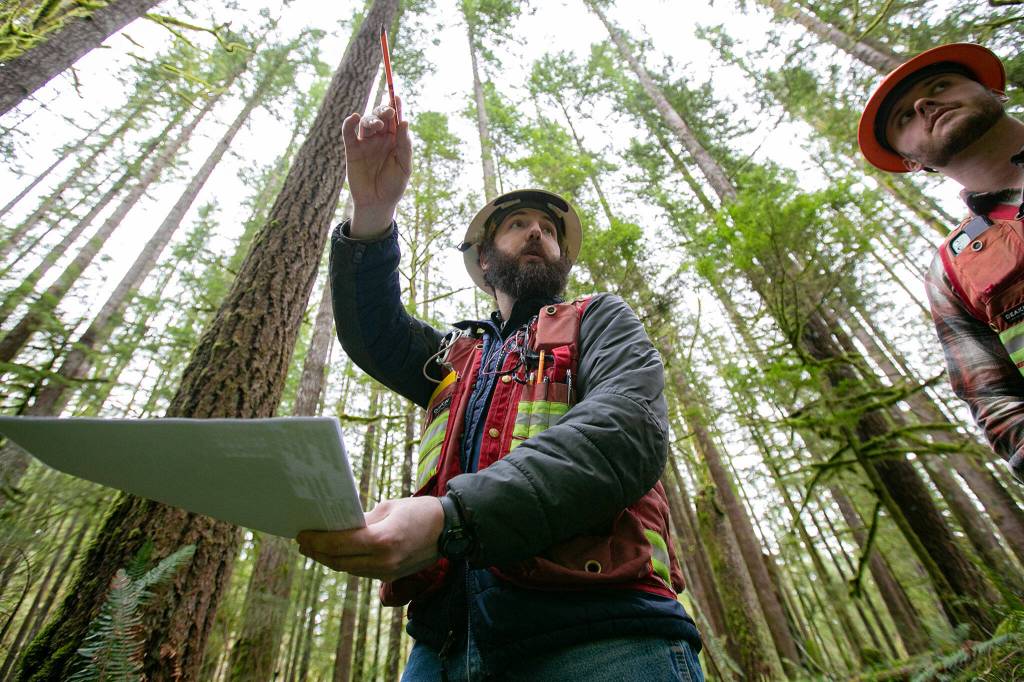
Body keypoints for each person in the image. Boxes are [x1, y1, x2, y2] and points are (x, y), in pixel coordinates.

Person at [295, 99, 704, 680]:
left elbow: (627, 429)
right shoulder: (456, 356)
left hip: (604, 631)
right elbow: (375, 333)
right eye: (518, 225)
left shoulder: (601, 319)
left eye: (548, 230)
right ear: (484, 261)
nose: (537, 231)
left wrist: (450, 518)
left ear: (563, 259)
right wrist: (373, 211)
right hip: (444, 643)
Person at [858, 43, 1024, 480]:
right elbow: (994, 400)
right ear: (912, 163)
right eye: (905, 117)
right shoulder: (953, 271)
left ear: (993, 91)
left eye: (941, 85)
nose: (924, 104)